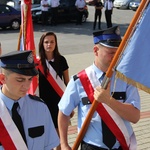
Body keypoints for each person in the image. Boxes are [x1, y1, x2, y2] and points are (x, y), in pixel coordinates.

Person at [58, 26, 141, 150]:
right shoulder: (79, 80)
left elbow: (135, 117)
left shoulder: (125, 80)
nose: (116, 57)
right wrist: (64, 144)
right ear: (96, 50)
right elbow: (64, 113)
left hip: (121, 146)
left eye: (119, 53)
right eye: (111, 53)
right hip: (92, 146)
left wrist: (109, 101)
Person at [0, 50, 60, 150]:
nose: (27, 86)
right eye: (20, 80)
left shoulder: (40, 108)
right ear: (3, 79)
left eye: (30, 79)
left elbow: (48, 146)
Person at [37, 32, 70, 150]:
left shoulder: (61, 60)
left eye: (52, 42)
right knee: (46, 136)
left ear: (56, 44)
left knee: (58, 135)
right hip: (42, 103)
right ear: (42, 44)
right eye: (46, 42)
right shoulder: (37, 63)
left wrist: (69, 105)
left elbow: (67, 83)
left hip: (58, 102)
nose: (49, 44)